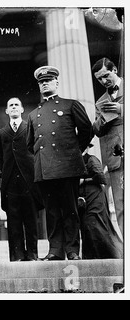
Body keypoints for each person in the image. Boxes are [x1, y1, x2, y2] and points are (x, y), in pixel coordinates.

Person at [26, 66, 93, 261]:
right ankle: (55, 250)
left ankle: (72, 250)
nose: (45, 83)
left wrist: (73, 152)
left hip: (67, 166)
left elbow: (86, 130)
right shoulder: (33, 114)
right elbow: (30, 145)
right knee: (52, 212)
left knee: (70, 209)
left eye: (48, 80)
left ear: (57, 82)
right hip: (45, 169)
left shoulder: (70, 105)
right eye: (41, 81)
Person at [0, 97, 42, 261]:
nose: (14, 107)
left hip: (29, 182)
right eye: (10, 105)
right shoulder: (1, 133)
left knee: (31, 221)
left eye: (16, 105)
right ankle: (17, 256)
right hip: (11, 185)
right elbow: (1, 160)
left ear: (22, 110)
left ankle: (32, 254)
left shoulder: (31, 128)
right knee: (14, 223)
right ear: (7, 111)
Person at [91, 57, 124, 237]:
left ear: (115, 70)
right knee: (120, 206)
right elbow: (97, 131)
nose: (104, 81)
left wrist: (120, 109)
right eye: (99, 79)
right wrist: (102, 119)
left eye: (106, 75)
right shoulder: (100, 101)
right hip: (116, 160)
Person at [78, 141, 123, 259]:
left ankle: (111, 256)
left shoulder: (91, 159)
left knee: (96, 226)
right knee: (88, 228)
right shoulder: (75, 160)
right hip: (85, 199)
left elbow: (101, 177)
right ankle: (92, 258)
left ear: (87, 148)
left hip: (95, 197)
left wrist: (84, 181)